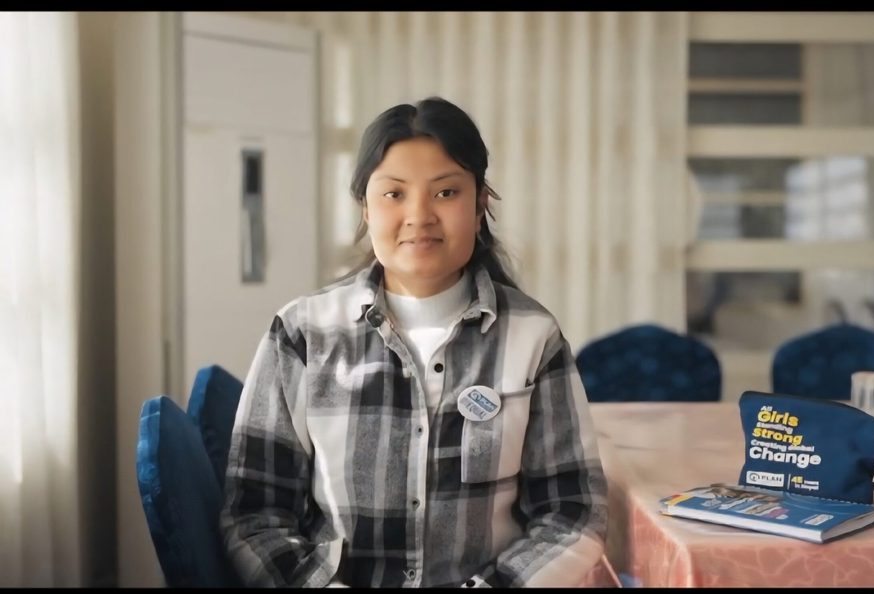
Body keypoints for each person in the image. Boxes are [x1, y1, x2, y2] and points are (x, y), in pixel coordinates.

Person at [219, 97, 608, 588]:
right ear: (365, 205)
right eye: (394, 194)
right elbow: (254, 515)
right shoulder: (301, 334)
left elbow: (573, 516)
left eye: (446, 193)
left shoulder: (534, 337)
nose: (419, 215)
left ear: (481, 202)